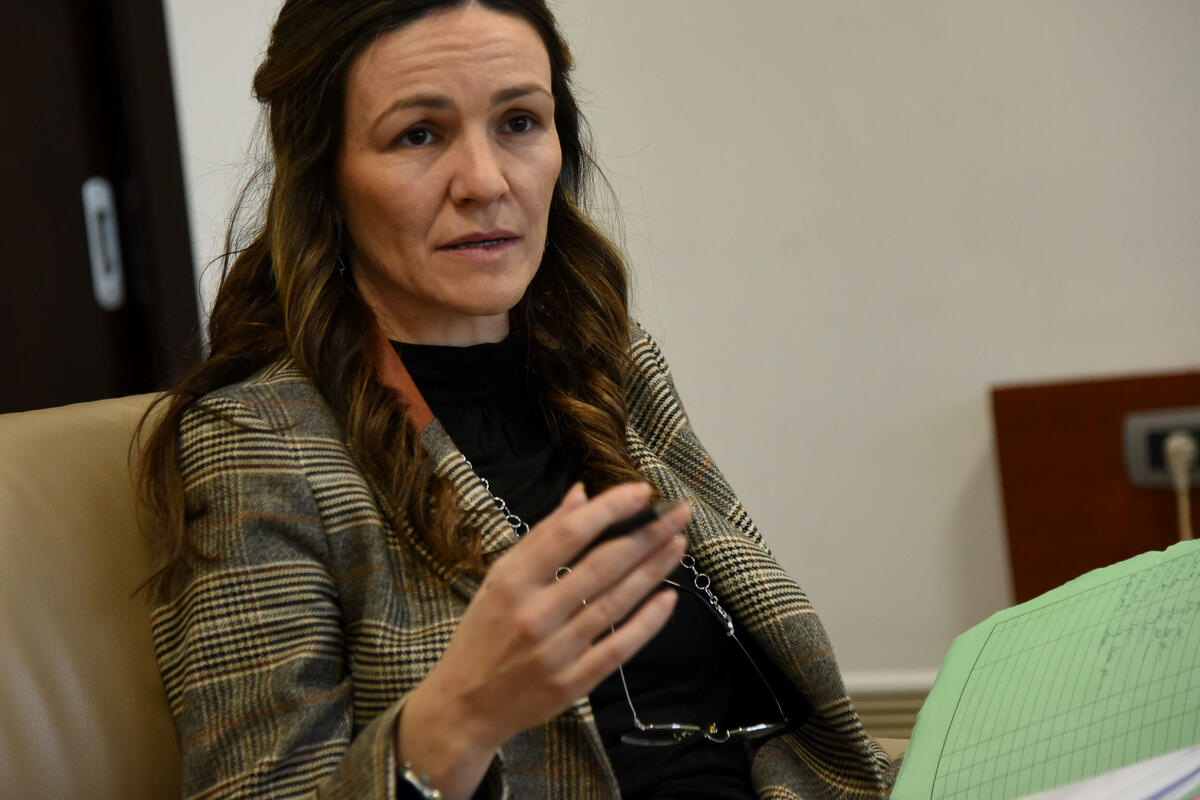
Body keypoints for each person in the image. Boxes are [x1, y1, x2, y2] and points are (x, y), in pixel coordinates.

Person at [140, 1, 899, 797]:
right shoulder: (257, 442)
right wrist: (460, 715)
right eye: (419, 135)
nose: (486, 181)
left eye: (519, 123)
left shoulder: (610, 360)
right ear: (322, 175)